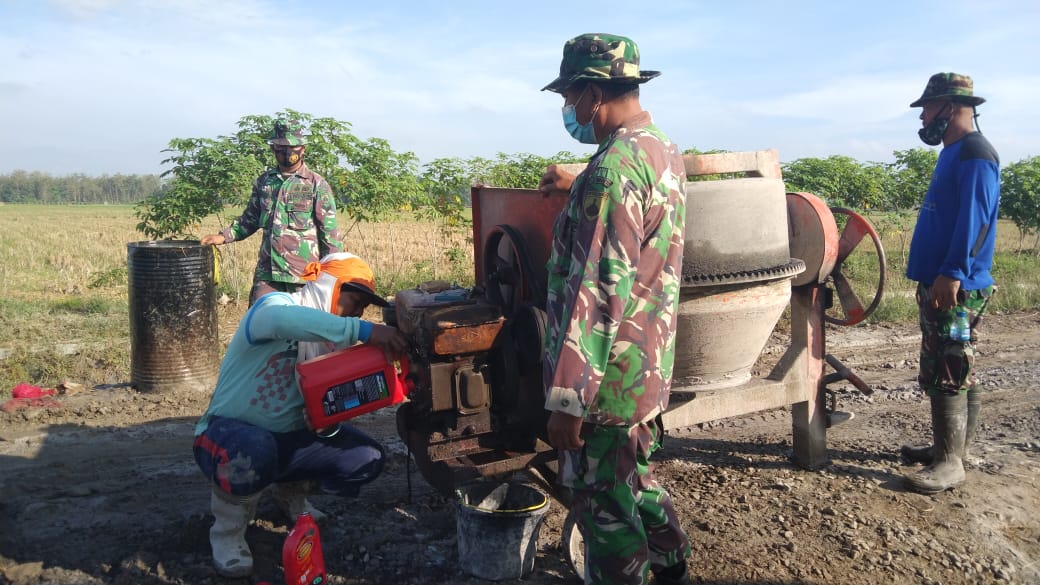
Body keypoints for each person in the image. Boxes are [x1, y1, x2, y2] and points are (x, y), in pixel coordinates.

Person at [539, 34, 691, 585]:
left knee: (604, 510)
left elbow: (598, 292)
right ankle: (672, 568)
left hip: (604, 386)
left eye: (570, 97)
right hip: (646, 368)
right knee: (637, 482)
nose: (568, 110)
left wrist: (568, 400)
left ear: (594, 93)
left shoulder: (612, 169)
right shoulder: (659, 149)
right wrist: (579, 180)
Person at [192, 252, 409, 578]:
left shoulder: (329, 349)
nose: (357, 312)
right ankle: (227, 532)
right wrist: (364, 330)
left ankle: (289, 493)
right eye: (353, 301)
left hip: (285, 441)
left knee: (366, 457)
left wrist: (327, 428)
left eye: (364, 309)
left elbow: (327, 423)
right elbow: (283, 322)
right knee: (255, 450)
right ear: (327, 286)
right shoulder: (273, 308)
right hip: (226, 436)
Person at [900, 73, 1000, 495]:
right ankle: (952, 449)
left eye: (927, 107)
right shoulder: (953, 152)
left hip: (956, 283)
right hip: (941, 278)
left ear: (951, 107)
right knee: (950, 364)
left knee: (950, 366)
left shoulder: (975, 153)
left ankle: (949, 463)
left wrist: (953, 272)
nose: (923, 117)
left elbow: (975, 221)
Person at [201, 118, 345, 304]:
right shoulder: (264, 182)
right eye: (281, 147)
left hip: (304, 275)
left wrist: (333, 273)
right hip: (268, 272)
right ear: (273, 149)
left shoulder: (316, 184)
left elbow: (329, 232)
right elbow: (250, 219)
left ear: (303, 149)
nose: (287, 152)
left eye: (292, 147)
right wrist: (223, 236)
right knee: (260, 323)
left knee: (302, 329)